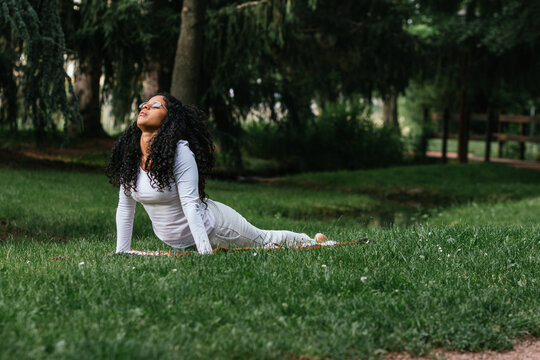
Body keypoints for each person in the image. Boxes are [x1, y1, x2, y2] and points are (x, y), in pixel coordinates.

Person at [106, 92, 330, 255]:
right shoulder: (131, 155)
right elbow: (126, 207)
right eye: (145, 104)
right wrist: (121, 252)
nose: (144, 107)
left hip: (217, 227)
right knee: (265, 241)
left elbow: (190, 204)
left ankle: (311, 241)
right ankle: (308, 241)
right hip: (182, 242)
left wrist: (205, 253)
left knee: (265, 240)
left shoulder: (180, 152)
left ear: (169, 119)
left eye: (154, 105)